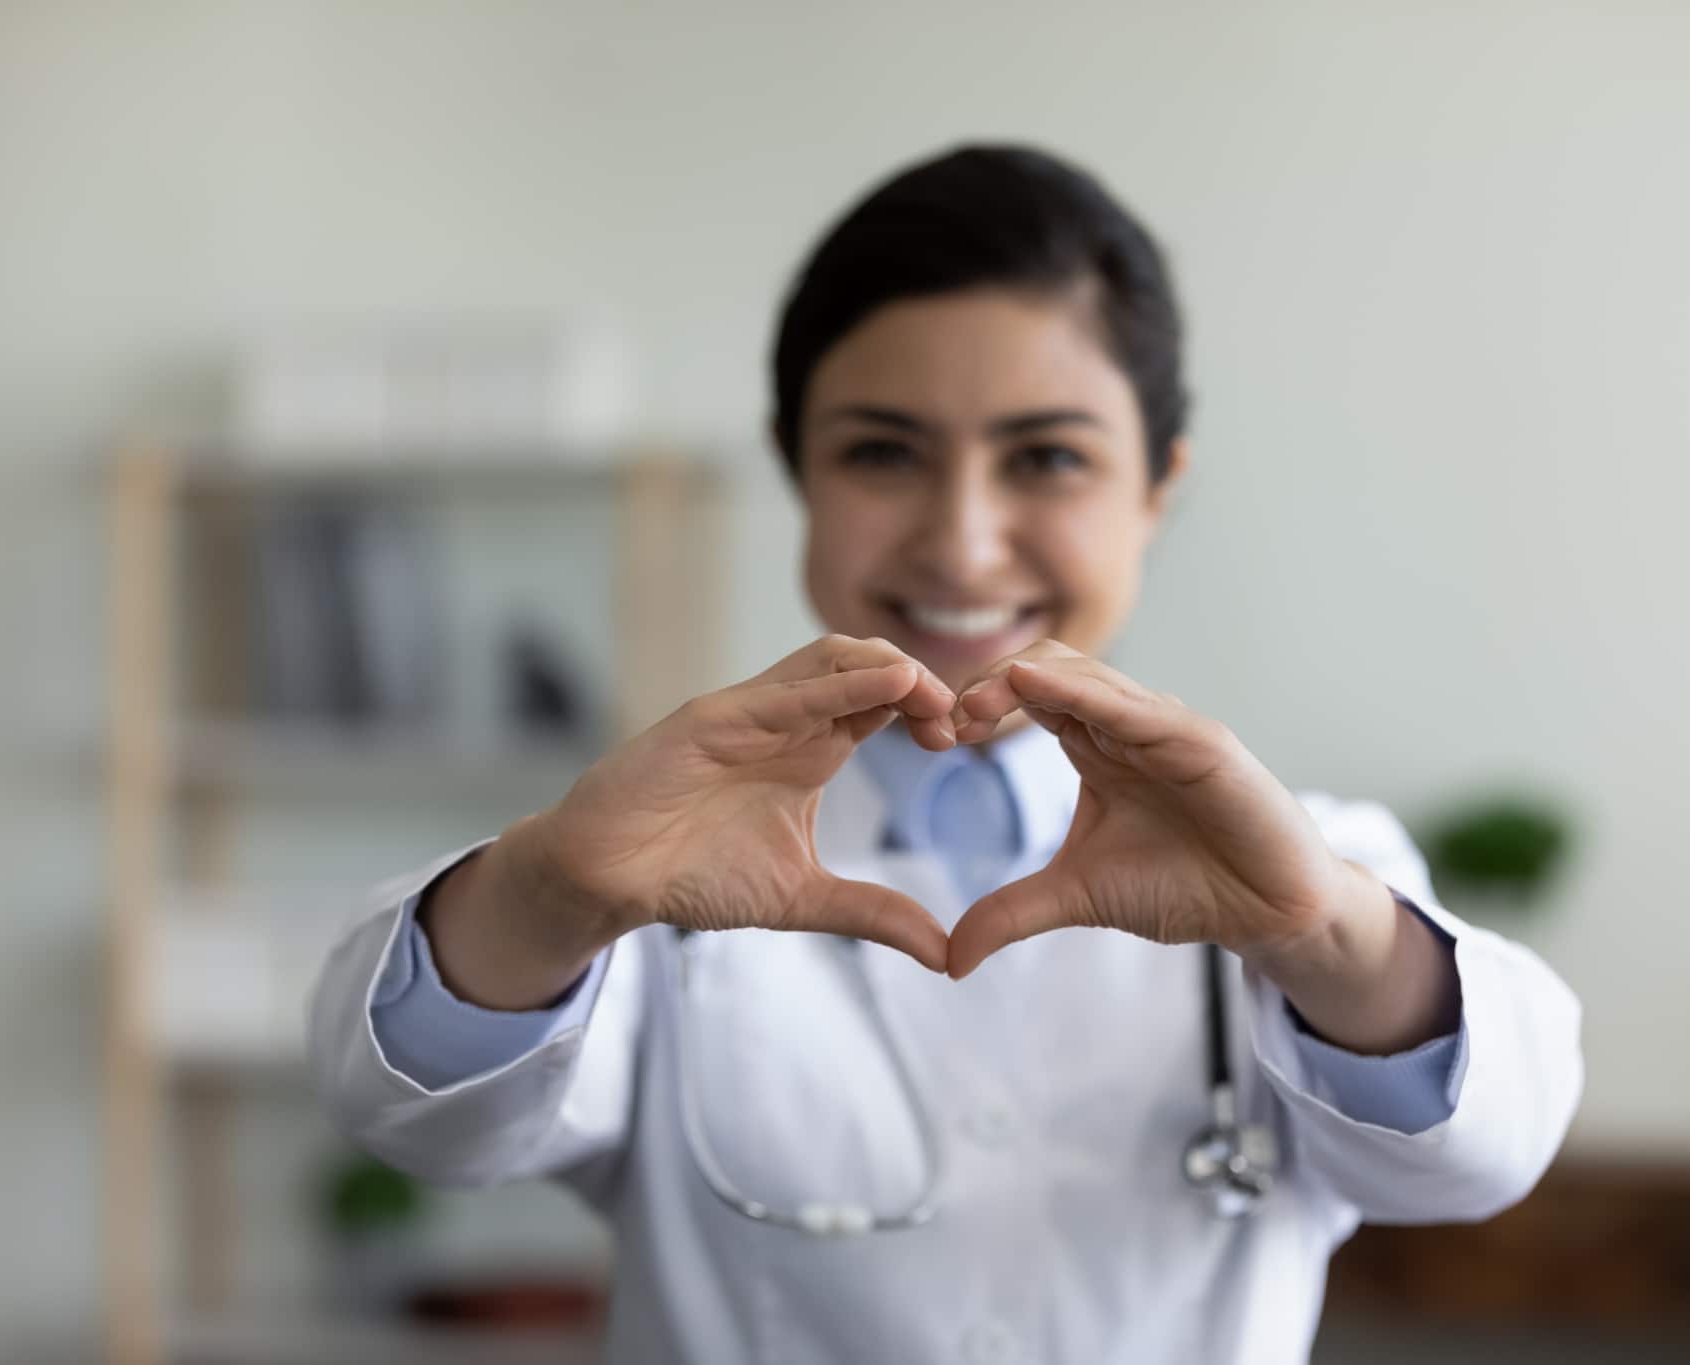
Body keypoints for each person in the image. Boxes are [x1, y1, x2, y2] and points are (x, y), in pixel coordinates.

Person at [308, 143, 1583, 1364]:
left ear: (1157, 488)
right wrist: (545, 893)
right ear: (797, 472)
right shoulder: (651, 878)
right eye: (881, 452)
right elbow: (415, 1115)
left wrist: (1319, 933)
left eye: (1046, 459)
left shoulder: (1319, 875)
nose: (963, 544)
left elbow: (1486, 1149)